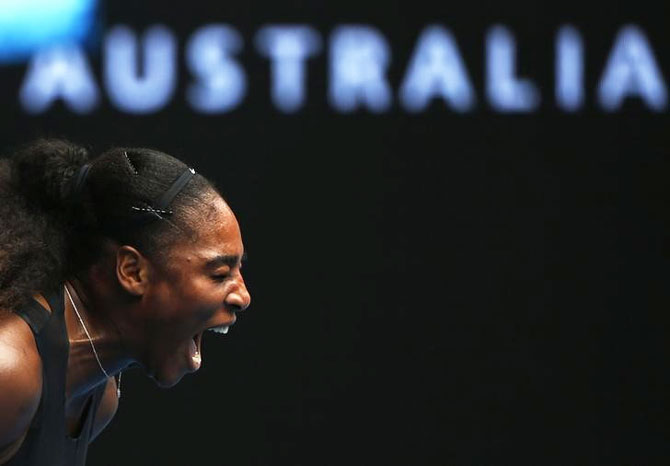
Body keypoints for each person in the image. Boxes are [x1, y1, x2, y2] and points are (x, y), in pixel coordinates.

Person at [0, 139, 251, 465]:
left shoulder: (99, 397)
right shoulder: (9, 372)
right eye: (219, 273)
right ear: (132, 272)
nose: (243, 297)